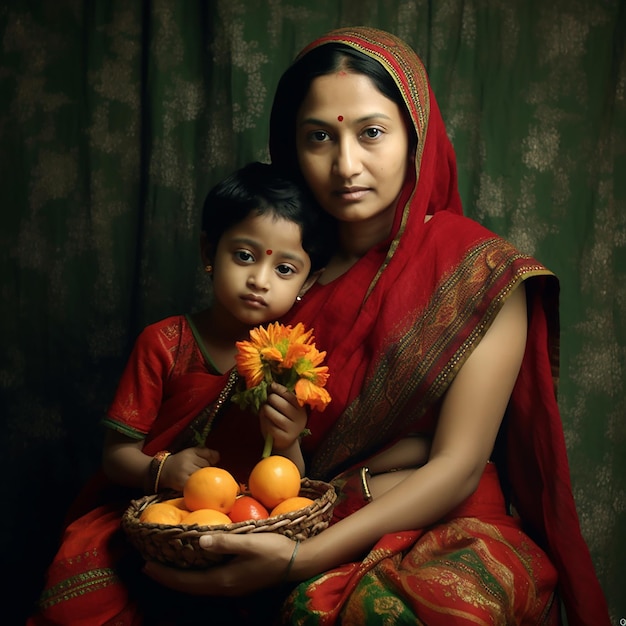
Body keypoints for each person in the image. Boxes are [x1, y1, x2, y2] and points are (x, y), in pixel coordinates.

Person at [143, 27, 611, 626]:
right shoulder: (277, 280)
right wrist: (285, 455)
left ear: (416, 136)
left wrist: (298, 558)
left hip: (442, 527)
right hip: (283, 517)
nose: (345, 165)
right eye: (319, 137)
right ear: (290, 149)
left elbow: (457, 465)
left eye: (371, 133)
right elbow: (239, 448)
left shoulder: (478, 273)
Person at [28, 161, 335, 625]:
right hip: (155, 515)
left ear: (307, 283)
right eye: (246, 256)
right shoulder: (164, 343)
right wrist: (167, 470)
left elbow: (287, 485)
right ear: (209, 251)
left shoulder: (293, 363)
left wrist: (289, 438)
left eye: (285, 267)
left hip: (248, 523)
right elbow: (116, 457)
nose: (260, 280)